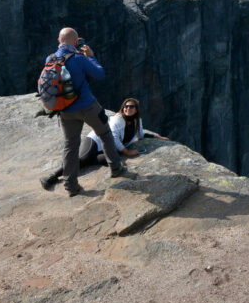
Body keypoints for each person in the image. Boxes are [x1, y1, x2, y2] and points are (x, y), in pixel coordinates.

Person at [48, 27, 129, 197]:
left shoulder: (50, 59)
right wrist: (91, 57)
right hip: (87, 106)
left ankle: (71, 185)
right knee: (105, 134)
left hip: (65, 110)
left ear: (58, 41)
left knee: (70, 145)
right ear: (77, 42)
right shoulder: (79, 58)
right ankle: (115, 168)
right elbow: (100, 74)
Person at [40, 97, 168, 190]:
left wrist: (157, 136)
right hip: (95, 141)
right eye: (126, 106)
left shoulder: (137, 121)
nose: (128, 108)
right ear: (123, 108)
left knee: (92, 162)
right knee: (83, 158)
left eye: (131, 107)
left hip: (107, 150)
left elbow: (140, 134)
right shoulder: (118, 119)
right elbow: (113, 137)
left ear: (136, 109)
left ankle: (71, 171)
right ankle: (52, 177)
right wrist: (126, 151)